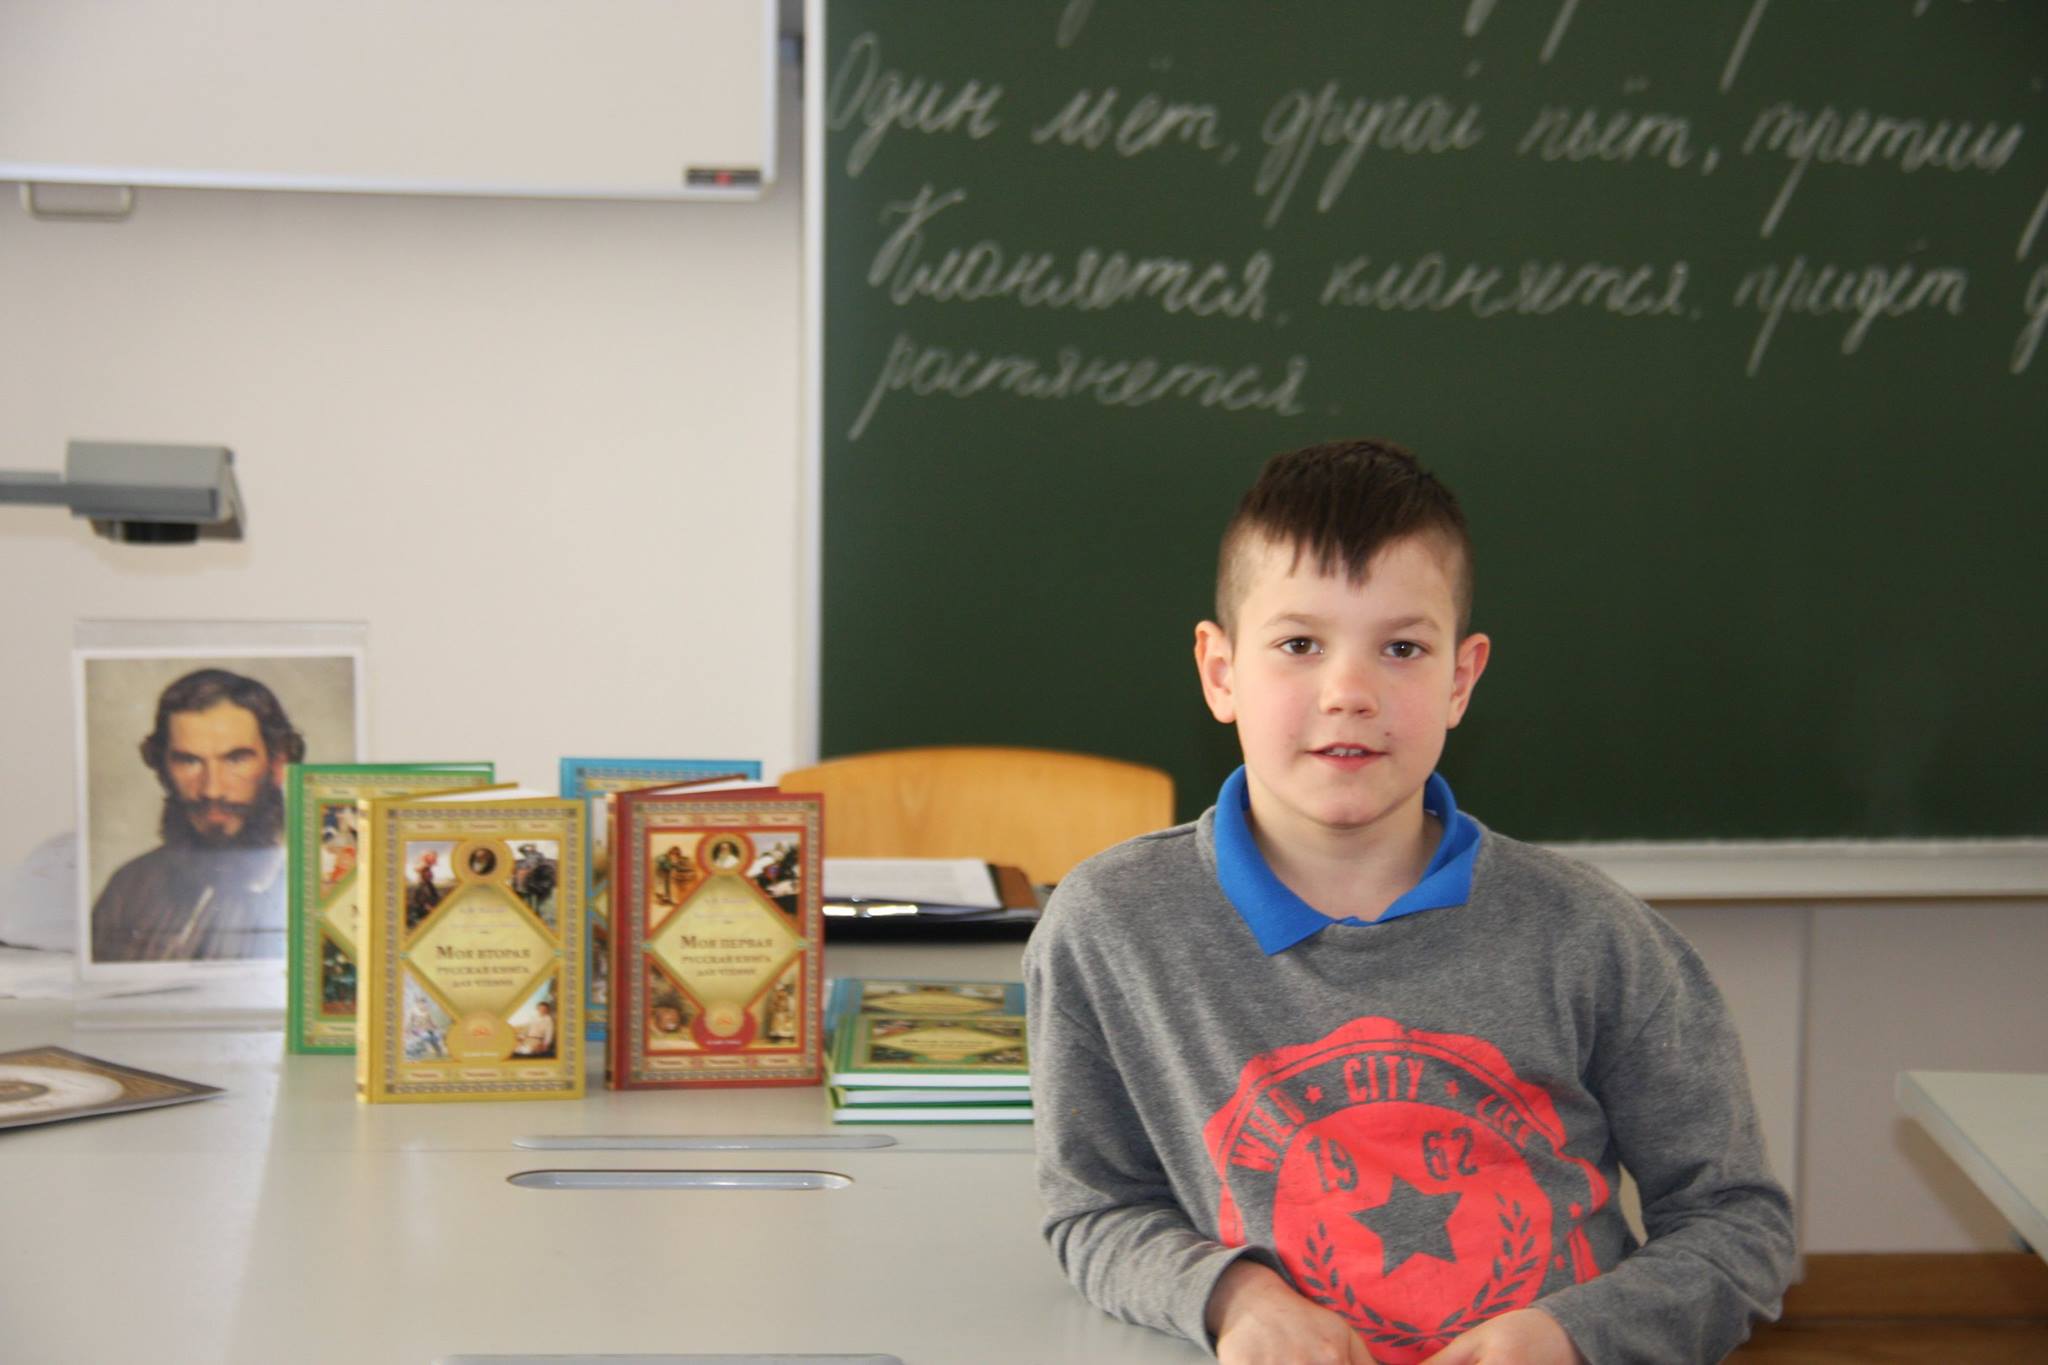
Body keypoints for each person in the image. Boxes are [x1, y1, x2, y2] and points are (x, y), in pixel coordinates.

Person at [1023, 439, 1795, 1365]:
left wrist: (1569, 1335)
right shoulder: (1112, 926)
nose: (1349, 692)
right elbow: (1098, 1208)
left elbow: (1736, 1225)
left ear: (1460, 678)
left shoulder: (1595, 937)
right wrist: (1235, 1296)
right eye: (1299, 644)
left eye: (1401, 648)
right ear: (1220, 671)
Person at [90, 668, 307, 962]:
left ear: (279, 765)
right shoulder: (129, 887)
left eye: (236, 759)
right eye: (189, 761)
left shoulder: (317, 887)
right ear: (164, 769)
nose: (212, 790)